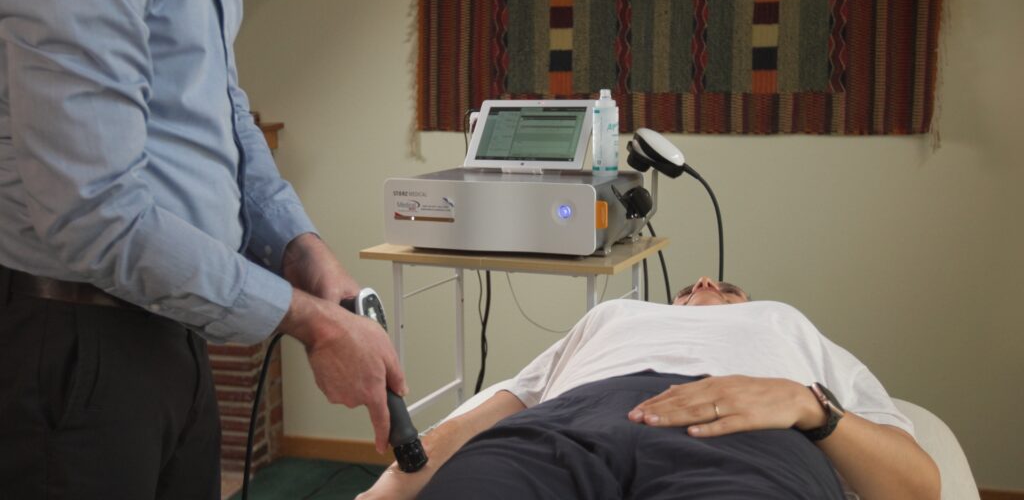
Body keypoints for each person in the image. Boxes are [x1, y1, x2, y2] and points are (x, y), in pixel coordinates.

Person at [0, 0, 405, 498]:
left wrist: (300, 247)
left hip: (176, 326)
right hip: (75, 342)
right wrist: (310, 321)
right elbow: (94, 212)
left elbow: (224, 109)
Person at [359, 277, 941, 500]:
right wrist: (392, 487)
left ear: (747, 301)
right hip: (567, 427)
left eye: (727, 286)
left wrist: (807, 406)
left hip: (743, 436)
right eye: (690, 286)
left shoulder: (786, 322)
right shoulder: (616, 315)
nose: (705, 282)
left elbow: (916, 487)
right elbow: (506, 403)